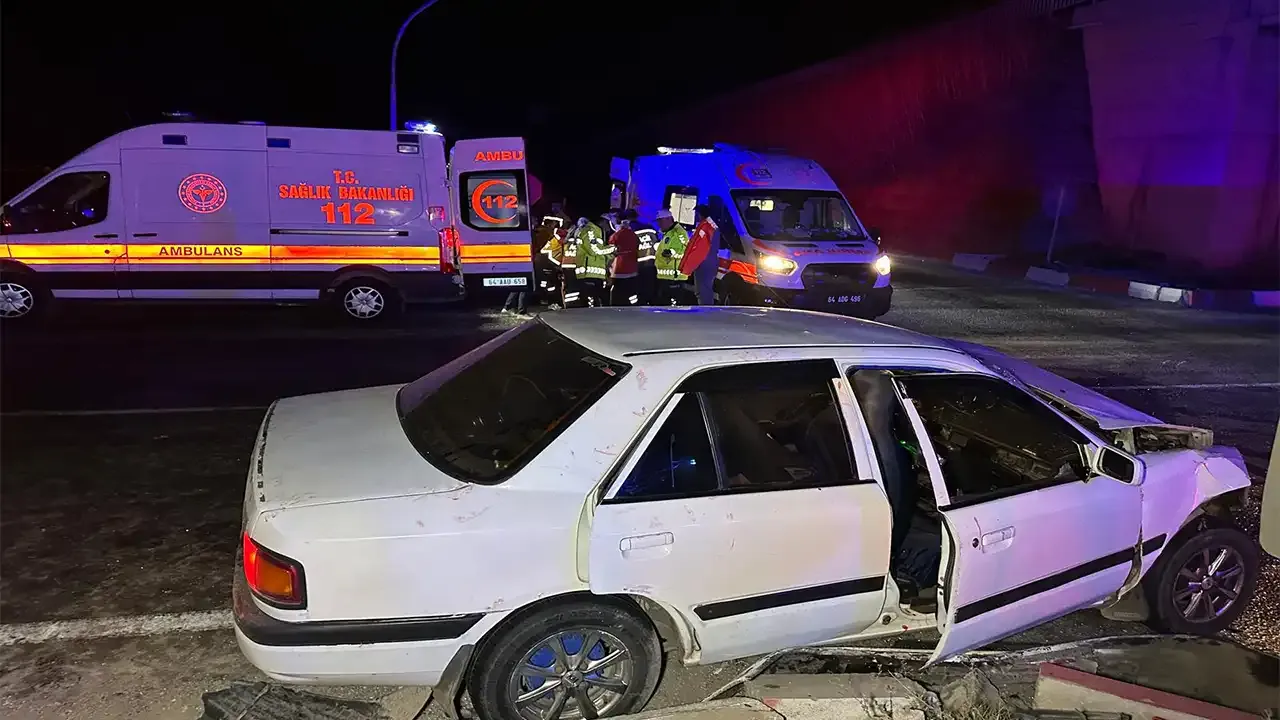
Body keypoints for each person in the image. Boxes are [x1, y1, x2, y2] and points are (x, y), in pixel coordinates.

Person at [685, 204, 720, 305]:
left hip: (704, 261)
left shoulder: (706, 227)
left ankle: (705, 310)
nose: (695, 216)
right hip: (710, 260)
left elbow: (700, 246)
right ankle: (706, 308)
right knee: (705, 288)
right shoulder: (711, 225)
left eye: (696, 213)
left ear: (700, 214)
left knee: (703, 289)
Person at [654, 209, 690, 306]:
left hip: (674, 277)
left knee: (673, 307)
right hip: (666, 277)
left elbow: (686, 249)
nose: (659, 224)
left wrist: (671, 252)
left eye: (660, 221)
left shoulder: (679, 232)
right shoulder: (668, 232)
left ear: (668, 219)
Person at [571, 216, 608, 307]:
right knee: (592, 301)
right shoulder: (590, 231)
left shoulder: (590, 231)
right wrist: (612, 249)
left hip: (590, 271)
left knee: (591, 300)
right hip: (590, 271)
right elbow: (594, 250)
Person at [606, 211, 641, 306]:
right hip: (632, 270)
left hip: (618, 271)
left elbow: (610, 254)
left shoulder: (615, 236)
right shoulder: (634, 236)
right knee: (631, 295)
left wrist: (608, 270)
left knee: (617, 296)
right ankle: (633, 308)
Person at [625, 208, 658, 305]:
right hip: (651, 264)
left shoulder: (629, 229)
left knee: (637, 291)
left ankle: (637, 306)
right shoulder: (649, 227)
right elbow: (657, 244)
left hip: (637, 265)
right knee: (650, 289)